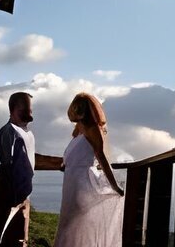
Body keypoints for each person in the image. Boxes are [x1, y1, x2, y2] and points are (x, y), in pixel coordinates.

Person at [0, 92, 64, 247]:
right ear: (13, 109)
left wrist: (61, 162)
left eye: (30, 109)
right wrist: (15, 196)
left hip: (22, 193)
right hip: (8, 191)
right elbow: (11, 164)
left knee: (18, 237)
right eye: (24, 109)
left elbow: (29, 159)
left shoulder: (27, 133)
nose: (28, 113)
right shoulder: (9, 132)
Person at [54, 93, 125, 246]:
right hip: (71, 181)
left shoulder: (93, 129)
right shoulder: (79, 129)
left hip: (82, 182)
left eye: (80, 107)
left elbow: (101, 157)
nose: (77, 110)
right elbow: (72, 155)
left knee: (75, 224)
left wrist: (114, 186)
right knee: (68, 224)